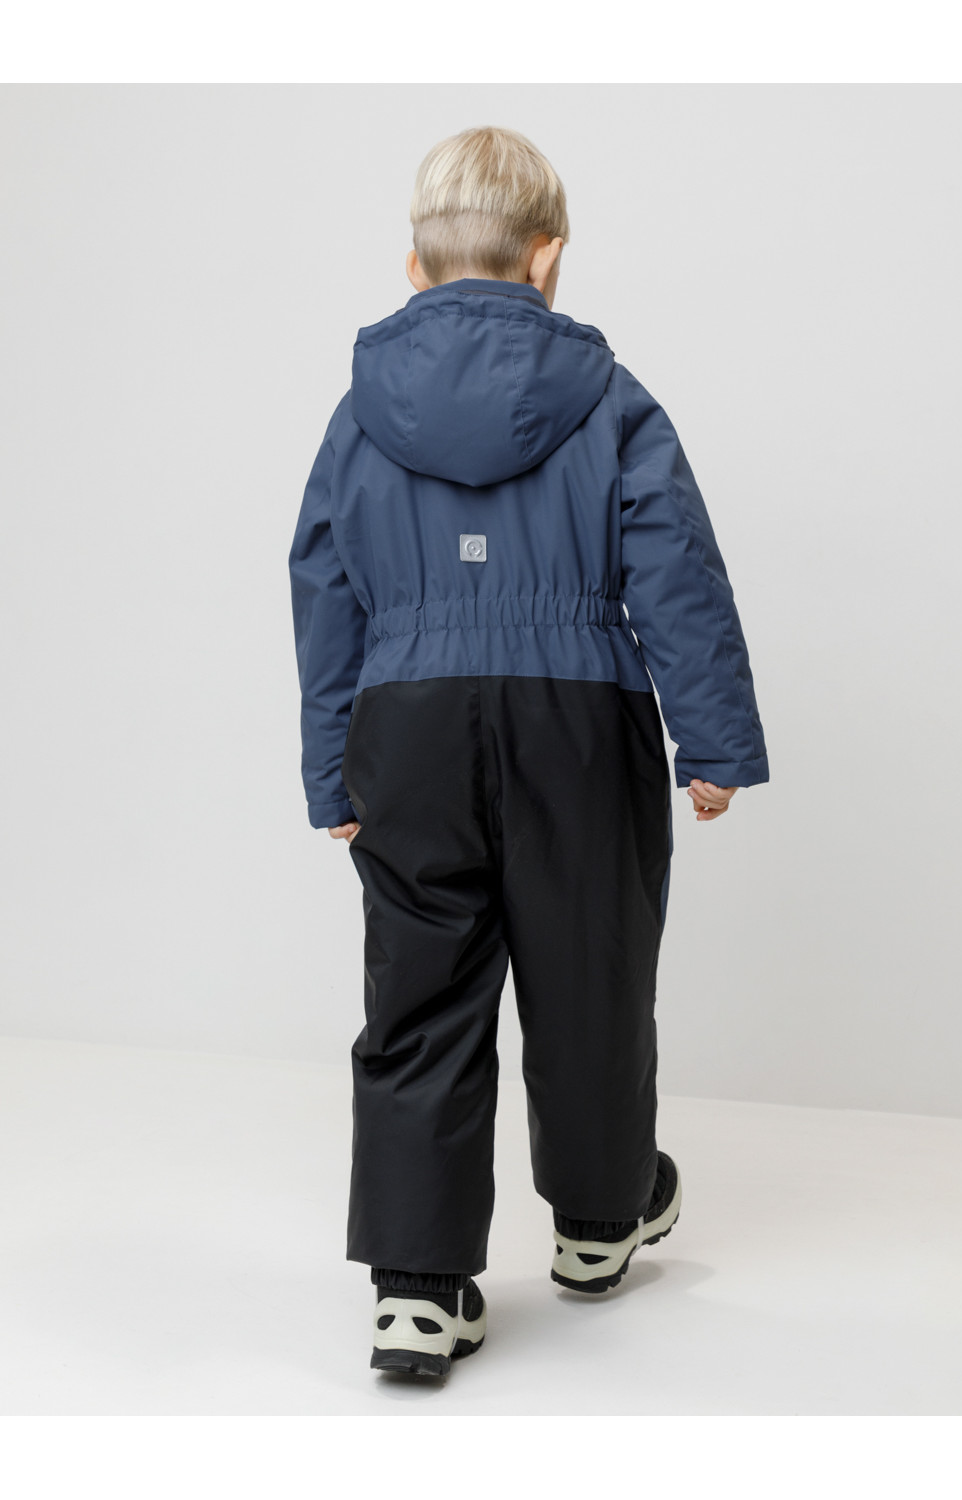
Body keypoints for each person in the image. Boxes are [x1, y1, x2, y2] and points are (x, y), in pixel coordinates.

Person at [288, 125, 769, 1379]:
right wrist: (712, 739)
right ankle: (600, 1227)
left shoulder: (358, 413)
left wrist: (331, 763)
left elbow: (324, 589)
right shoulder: (609, 400)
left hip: (407, 722)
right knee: (589, 968)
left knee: (419, 991)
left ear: (413, 266)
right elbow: (676, 568)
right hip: (577, 716)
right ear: (547, 257)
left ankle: (416, 1287)